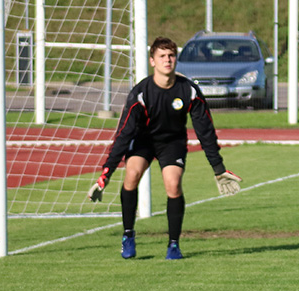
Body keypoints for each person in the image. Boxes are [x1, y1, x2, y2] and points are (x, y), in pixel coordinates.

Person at [87, 36, 243, 260]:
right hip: (142, 140)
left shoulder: (189, 91)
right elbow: (124, 134)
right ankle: (128, 235)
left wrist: (218, 168)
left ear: (176, 59)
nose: (167, 60)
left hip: (172, 142)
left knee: (173, 184)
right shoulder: (140, 93)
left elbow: (205, 131)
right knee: (132, 174)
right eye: (162, 56)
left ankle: (173, 245)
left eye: (171, 56)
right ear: (152, 61)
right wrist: (107, 173)